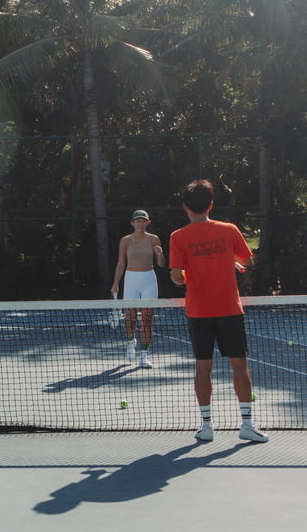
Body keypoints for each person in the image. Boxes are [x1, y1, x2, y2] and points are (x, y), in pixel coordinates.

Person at [169, 179, 267, 443]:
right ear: (211, 204)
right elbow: (246, 260)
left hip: (198, 312)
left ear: (185, 208)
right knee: (239, 365)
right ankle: (247, 425)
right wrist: (230, 262)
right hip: (229, 310)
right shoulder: (229, 229)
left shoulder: (178, 237)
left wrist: (193, 274)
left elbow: (177, 278)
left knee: (203, 368)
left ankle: (206, 426)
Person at [110, 209, 166, 368]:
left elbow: (161, 264)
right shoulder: (125, 241)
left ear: (148, 223)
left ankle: (143, 356)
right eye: (137, 221)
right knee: (130, 318)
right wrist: (115, 283)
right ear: (132, 223)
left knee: (147, 319)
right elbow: (121, 264)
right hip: (131, 280)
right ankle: (130, 344)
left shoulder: (154, 239)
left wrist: (160, 254)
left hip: (149, 279)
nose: (140, 223)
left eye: (143, 221)